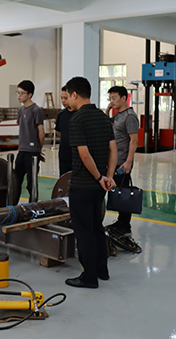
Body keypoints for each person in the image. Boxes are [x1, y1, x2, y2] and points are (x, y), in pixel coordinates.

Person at [65, 76, 117, 289]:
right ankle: (102, 270)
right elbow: (113, 149)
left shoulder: (77, 119)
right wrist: (108, 177)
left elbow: (84, 154)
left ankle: (89, 277)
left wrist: (98, 177)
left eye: (68, 96)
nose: (67, 101)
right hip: (99, 187)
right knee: (96, 227)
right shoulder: (103, 117)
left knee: (84, 231)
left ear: (74, 94)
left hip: (82, 184)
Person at [104, 86, 140, 237]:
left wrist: (128, 161)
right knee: (117, 191)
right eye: (110, 99)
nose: (111, 101)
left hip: (122, 161)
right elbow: (106, 125)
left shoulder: (130, 116)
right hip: (114, 160)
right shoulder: (118, 115)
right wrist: (107, 110)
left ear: (124, 98)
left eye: (114, 98)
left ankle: (125, 226)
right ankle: (120, 222)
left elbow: (134, 140)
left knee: (123, 193)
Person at [13, 80, 45, 204]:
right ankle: (13, 206)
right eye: (17, 93)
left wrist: (38, 149)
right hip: (22, 150)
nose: (19, 96)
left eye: (22, 93)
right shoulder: (21, 110)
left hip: (32, 152)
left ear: (30, 94)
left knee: (31, 183)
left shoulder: (36, 110)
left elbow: (41, 132)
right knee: (16, 180)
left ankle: (33, 207)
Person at [54, 85, 75, 176]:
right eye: (61, 98)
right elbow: (59, 132)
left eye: (65, 98)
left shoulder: (79, 115)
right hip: (64, 154)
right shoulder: (61, 115)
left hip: (77, 156)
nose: (63, 101)